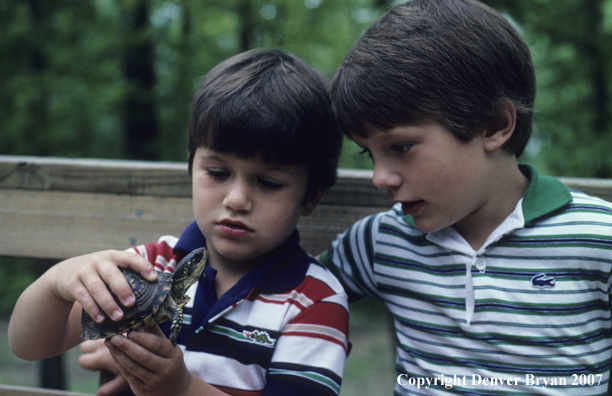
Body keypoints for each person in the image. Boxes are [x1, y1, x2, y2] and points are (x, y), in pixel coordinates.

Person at [9, 48, 349, 396]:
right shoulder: (149, 265)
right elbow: (28, 345)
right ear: (192, 167)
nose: (236, 199)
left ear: (311, 195)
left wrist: (182, 388)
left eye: (269, 183)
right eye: (217, 173)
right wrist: (57, 282)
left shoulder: (314, 301)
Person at [319, 0, 612, 394]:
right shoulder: (380, 243)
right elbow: (281, 293)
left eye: (401, 147)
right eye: (369, 153)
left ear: (494, 125)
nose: (379, 177)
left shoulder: (598, 239)